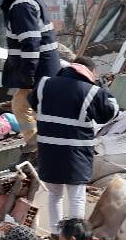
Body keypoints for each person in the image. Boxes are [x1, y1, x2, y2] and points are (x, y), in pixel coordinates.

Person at [29, 59, 118, 223]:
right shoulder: (92, 91)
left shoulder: (44, 83)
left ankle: (56, 232)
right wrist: (104, 90)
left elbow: (33, 103)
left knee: (55, 194)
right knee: (77, 196)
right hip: (76, 153)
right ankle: (73, 236)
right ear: (90, 71)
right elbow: (110, 113)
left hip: (49, 150)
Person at [0, 0, 60, 153]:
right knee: (34, 108)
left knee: (22, 106)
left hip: (40, 68)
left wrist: (28, 75)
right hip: (45, 66)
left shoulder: (21, 5)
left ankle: (37, 148)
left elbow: (31, 42)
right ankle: (39, 145)